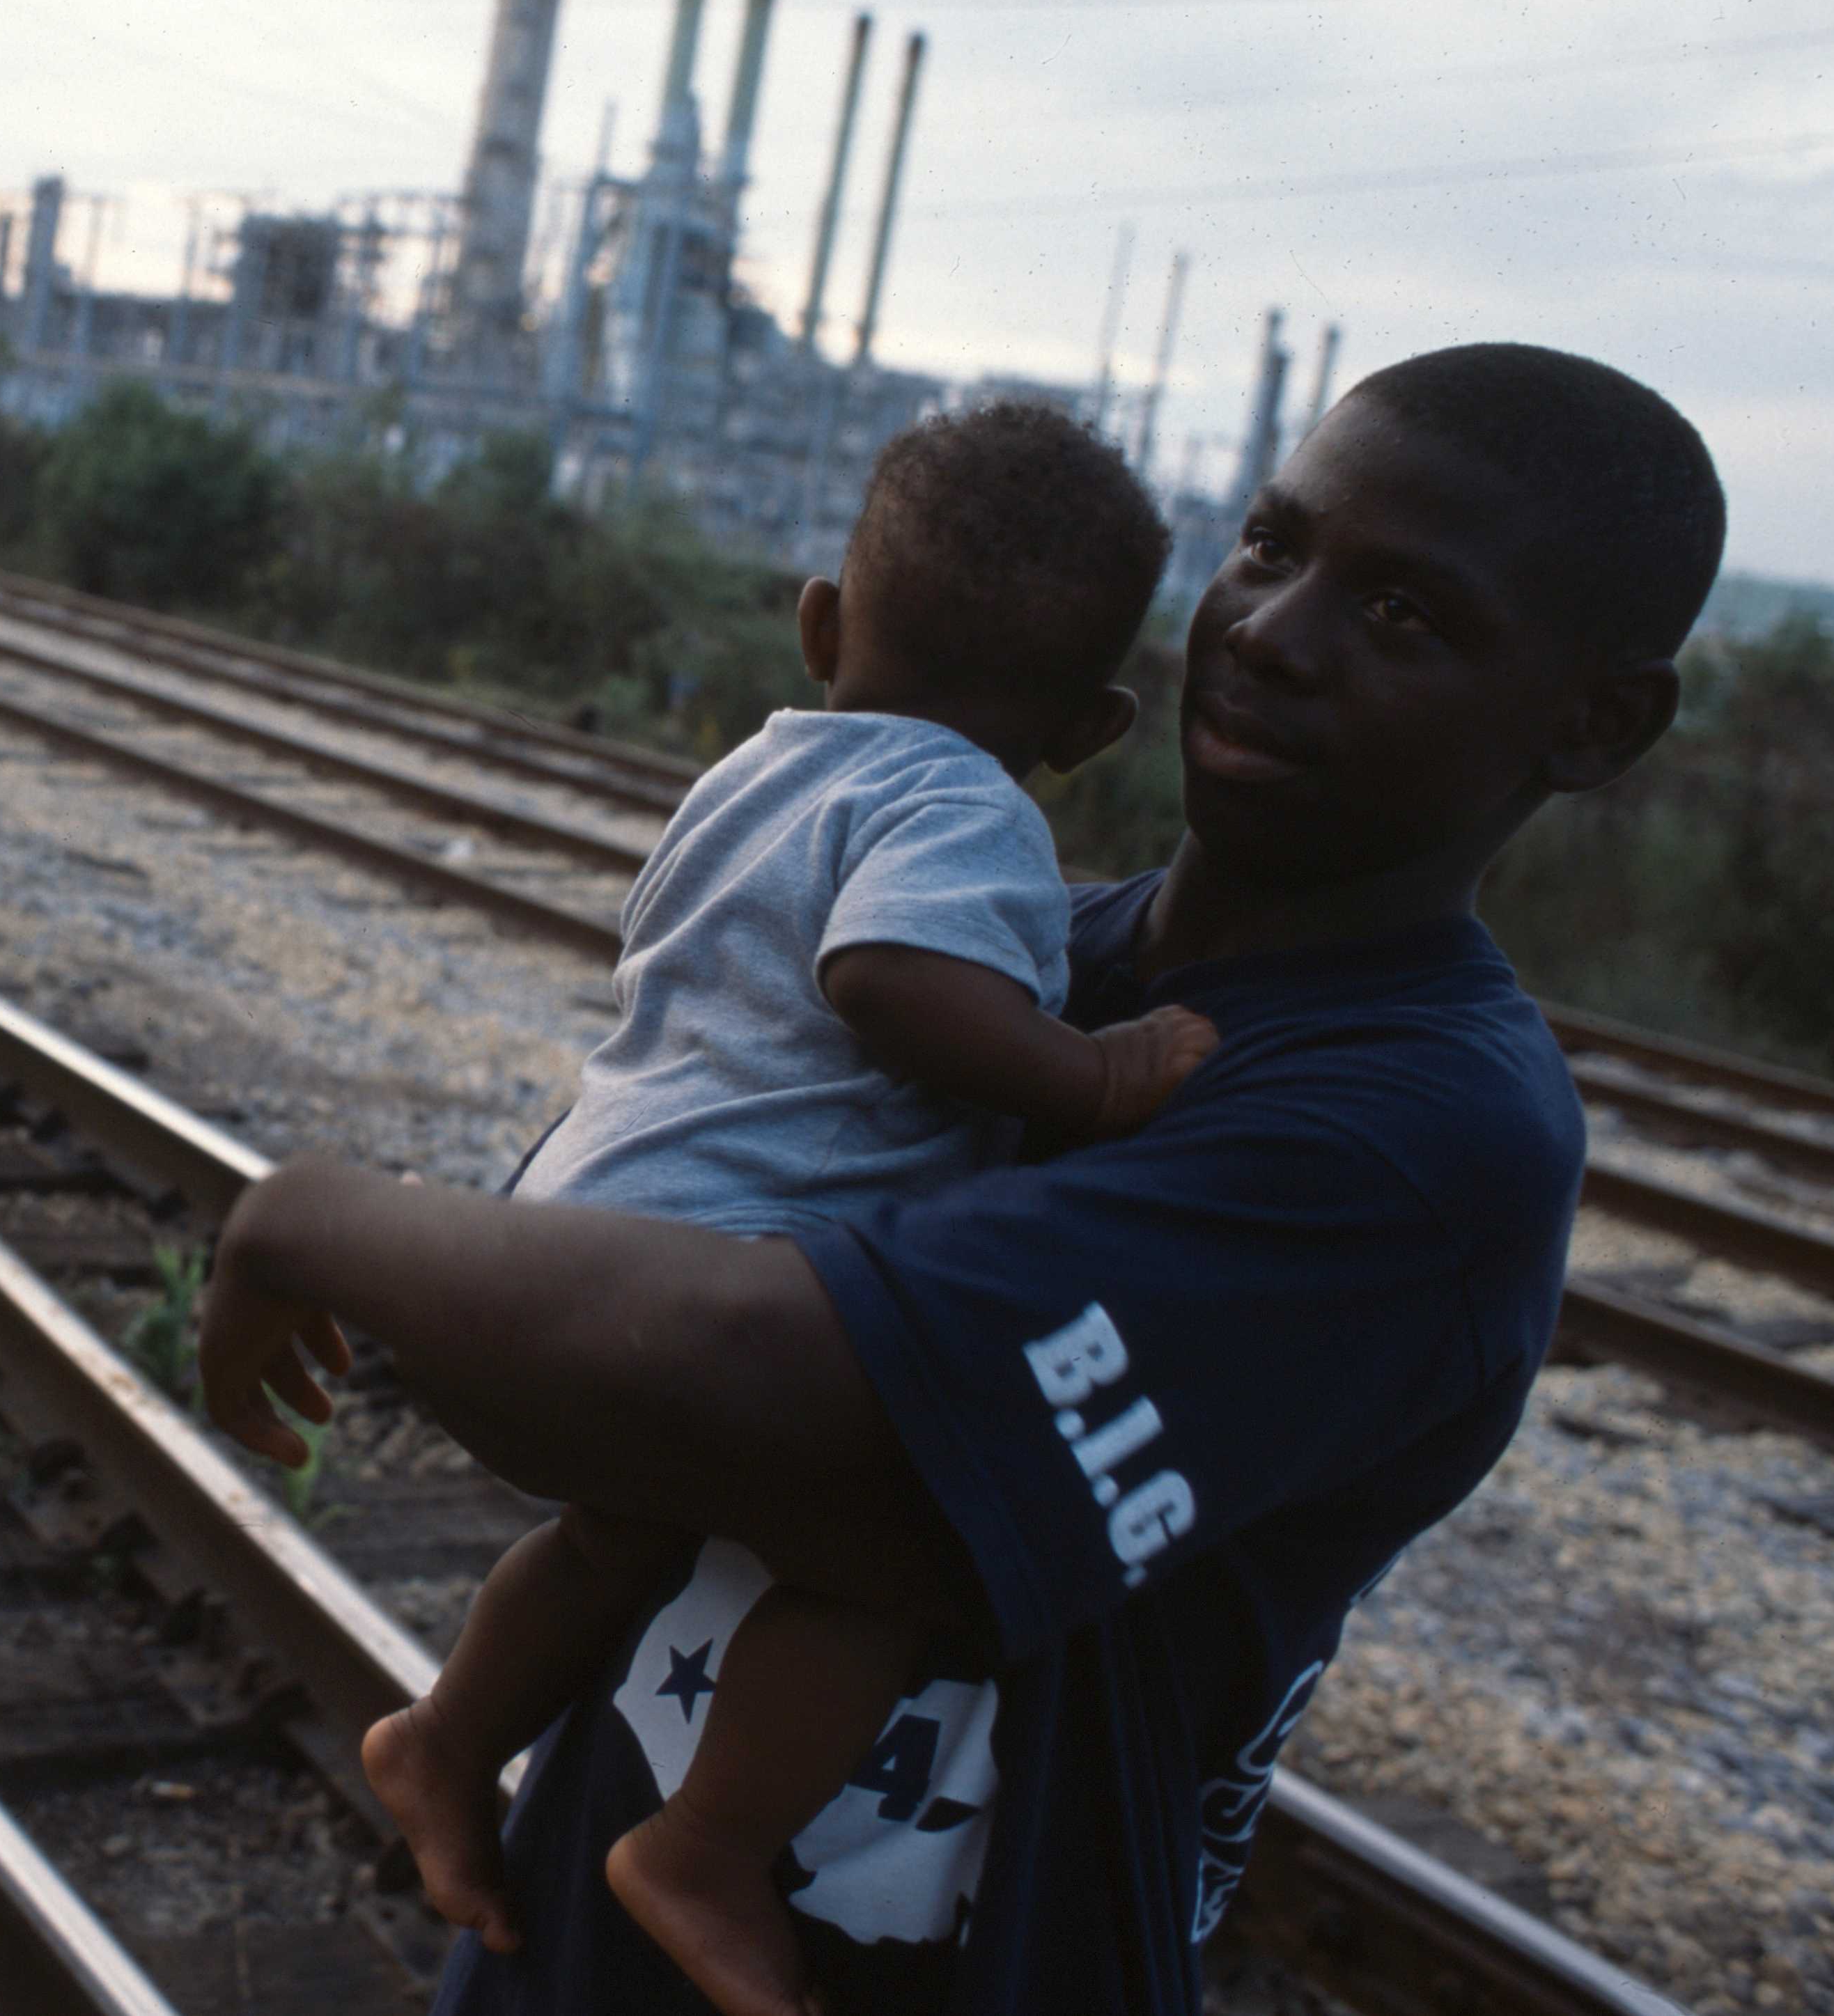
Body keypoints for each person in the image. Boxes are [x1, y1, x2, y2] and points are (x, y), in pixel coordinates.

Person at [201, 344, 1723, 2014]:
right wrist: (519, 1313)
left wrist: (310, 1217)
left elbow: (669, 1373)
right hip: (570, 1934)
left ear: (1595, 720)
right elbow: (587, 1281)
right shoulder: (1021, 963)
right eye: (1273, 547)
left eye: (1404, 614)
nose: (1270, 633)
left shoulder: (1416, 1136)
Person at [360, 403, 1220, 2016]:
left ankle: (449, 1732)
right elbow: (887, 977)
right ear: (1101, 726)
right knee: (887, 1566)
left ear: (820, 620)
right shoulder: (965, 805)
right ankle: (702, 1845)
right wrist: (1092, 1076)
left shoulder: (756, 767)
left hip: (572, 1220)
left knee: (616, 1528)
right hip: (711, 1276)